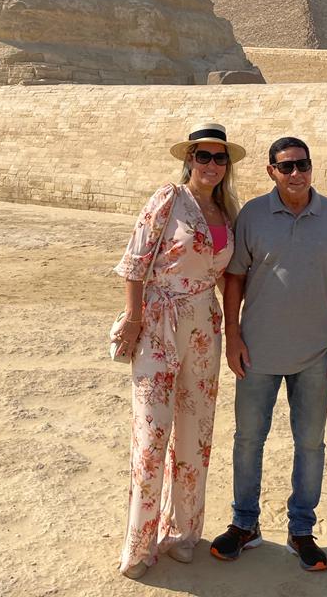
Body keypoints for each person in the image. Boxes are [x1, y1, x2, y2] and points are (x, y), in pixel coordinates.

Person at [211, 136, 327, 572]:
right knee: (248, 440)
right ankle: (244, 524)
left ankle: (301, 530)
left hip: (315, 354)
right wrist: (233, 336)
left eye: (303, 165)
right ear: (271, 171)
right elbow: (234, 280)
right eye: (287, 167)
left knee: (310, 444)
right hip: (256, 352)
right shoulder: (253, 215)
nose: (296, 174)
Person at [113, 122, 246, 579]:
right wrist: (134, 319)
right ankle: (139, 545)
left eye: (219, 157)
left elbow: (227, 278)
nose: (211, 164)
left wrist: (238, 327)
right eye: (202, 155)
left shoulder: (227, 212)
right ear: (189, 159)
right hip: (158, 324)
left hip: (205, 327)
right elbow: (135, 262)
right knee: (152, 437)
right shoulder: (168, 199)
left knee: (196, 432)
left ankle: (183, 532)